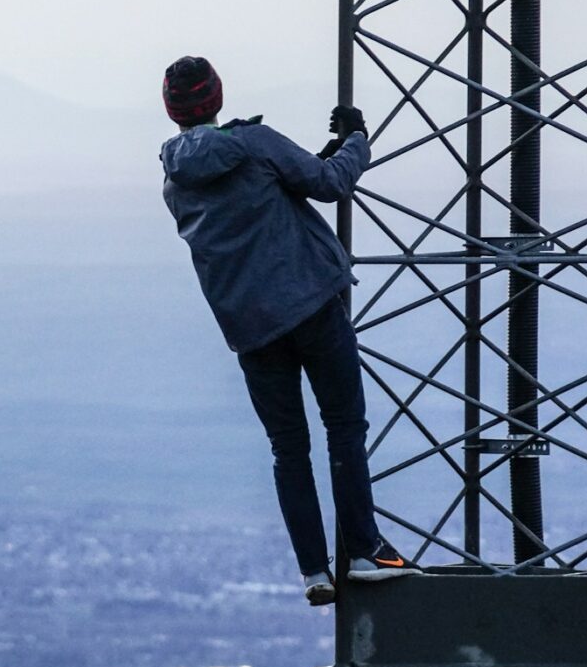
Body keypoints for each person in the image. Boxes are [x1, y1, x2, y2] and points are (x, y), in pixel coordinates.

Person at [158, 56, 421, 607]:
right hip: (312, 306)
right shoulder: (254, 142)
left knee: (288, 447)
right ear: (218, 97)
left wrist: (307, 161)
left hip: (252, 330)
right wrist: (357, 139)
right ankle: (365, 552)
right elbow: (328, 184)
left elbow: (255, 203)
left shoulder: (174, 181)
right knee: (344, 426)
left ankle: (314, 571)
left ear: (172, 110)